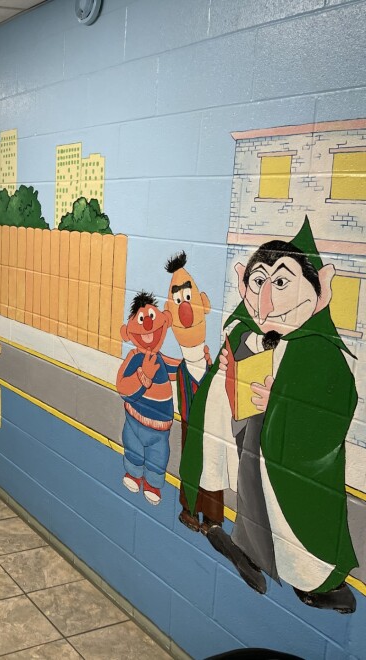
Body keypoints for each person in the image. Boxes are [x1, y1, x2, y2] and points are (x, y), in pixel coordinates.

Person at [180, 218, 358, 614]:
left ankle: (315, 584)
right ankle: (249, 550)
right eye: (259, 282)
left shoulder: (320, 352)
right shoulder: (248, 332)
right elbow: (225, 386)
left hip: (295, 471)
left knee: (296, 534)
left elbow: (333, 413)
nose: (265, 299)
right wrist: (231, 372)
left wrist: (281, 404)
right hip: (255, 445)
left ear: (321, 290)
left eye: (281, 282)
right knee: (254, 497)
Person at [163, 252, 222, 533]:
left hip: (212, 427)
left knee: (212, 467)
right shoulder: (182, 372)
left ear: (204, 305)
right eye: (178, 301)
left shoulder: (213, 365)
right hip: (192, 424)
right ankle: (189, 510)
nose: (185, 310)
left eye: (188, 298)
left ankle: (211, 516)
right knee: (191, 465)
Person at [116, 292, 177, 505]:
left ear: (165, 320)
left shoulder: (159, 358)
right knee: (133, 446)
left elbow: (176, 369)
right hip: (135, 420)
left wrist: (198, 364)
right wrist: (144, 376)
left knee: (158, 456)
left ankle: (152, 484)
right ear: (128, 331)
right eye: (142, 319)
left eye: (152, 316)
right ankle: (133, 473)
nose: (149, 323)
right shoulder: (135, 358)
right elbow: (122, 387)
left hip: (160, 428)